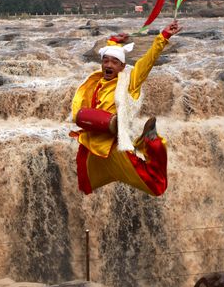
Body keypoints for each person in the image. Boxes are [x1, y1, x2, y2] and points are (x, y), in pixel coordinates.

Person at [70, 20, 182, 196]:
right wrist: (114, 41)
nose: (108, 65)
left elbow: (147, 62)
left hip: (116, 147)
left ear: (122, 67)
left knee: (156, 187)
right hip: (93, 145)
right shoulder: (96, 81)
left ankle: (148, 141)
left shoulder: (129, 83)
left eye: (114, 62)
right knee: (85, 185)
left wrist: (164, 36)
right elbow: (111, 54)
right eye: (105, 61)